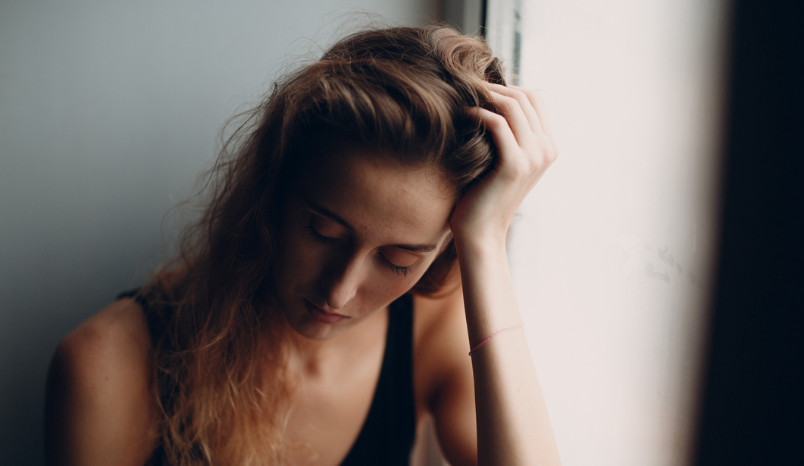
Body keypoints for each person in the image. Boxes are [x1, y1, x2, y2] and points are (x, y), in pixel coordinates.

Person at [44, 25, 561, 466]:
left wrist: (487, 242)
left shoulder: (429, 330)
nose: (340, 291)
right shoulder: (109, 367)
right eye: (323, 232)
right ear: (272, 191)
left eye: (399, 260)